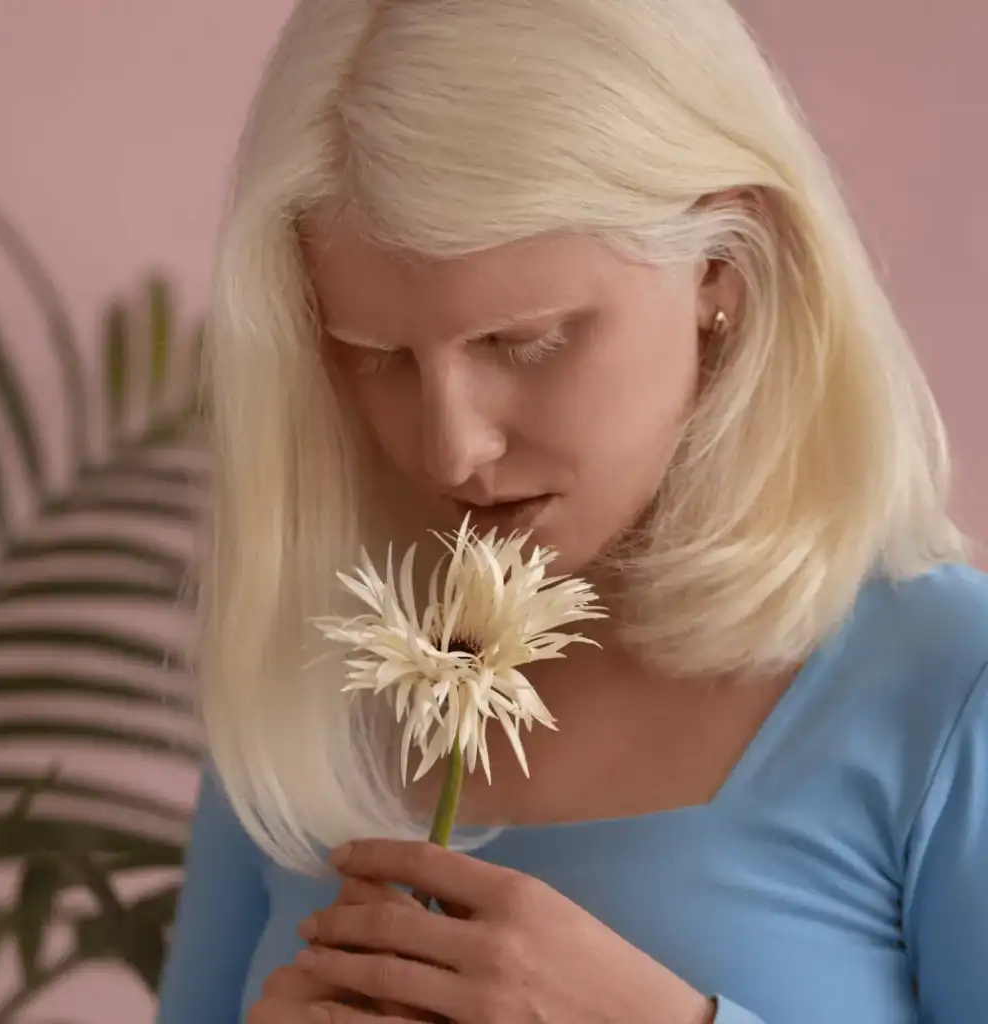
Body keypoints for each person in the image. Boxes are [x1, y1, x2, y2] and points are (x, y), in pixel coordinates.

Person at [156, 0, 988, 1021]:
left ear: (722, 266)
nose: (451, 445)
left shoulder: (949, 687)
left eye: (525, 341)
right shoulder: (310, 697)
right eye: (376, 359)